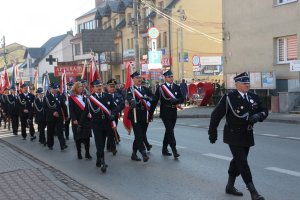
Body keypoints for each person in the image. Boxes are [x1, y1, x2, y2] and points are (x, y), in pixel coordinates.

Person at [208, 72, 268, 200]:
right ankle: (253, 192)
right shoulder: (229, 98)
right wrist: (212, 133)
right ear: (237, 85)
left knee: (237, 161)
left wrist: (259, 116)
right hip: (233, 134)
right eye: (244, 83)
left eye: (248, 83)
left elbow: (264, 110)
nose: (247, 85)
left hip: (247, 134)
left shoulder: (253, 97)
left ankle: (230, 186)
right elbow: (216, 115)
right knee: (242, 162)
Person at [79, 80, 118, 173]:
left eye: (100, 85)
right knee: (99, 144)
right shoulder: (90, 99)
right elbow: (85, 113)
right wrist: (80, 124)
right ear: (93, 88)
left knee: (102, 143)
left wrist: (113, 113)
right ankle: (103, 163)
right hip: (96, 125)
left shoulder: (107, 96)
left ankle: (98, 158)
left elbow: (114, 107)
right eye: (97, 86)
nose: (99, 87)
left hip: (107, 124)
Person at [150, 70, 184, 159]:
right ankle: (174, 149)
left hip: (173, 112)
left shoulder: (176, 87)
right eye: (169, 77)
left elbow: (182, 98)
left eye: (172, 76)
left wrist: (177, 101)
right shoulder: (161, 88)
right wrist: (150, 113)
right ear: (165, 78)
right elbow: (154, 101)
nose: (171, 78)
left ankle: (164, 149)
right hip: (165, 111)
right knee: (170, 130)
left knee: (169, 130)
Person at [126, 71, 154, 162]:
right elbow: (129, 97)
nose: (139, 79)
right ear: (133, 79)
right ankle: (143, 153)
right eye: (137, 78)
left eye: (140, 78)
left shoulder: (145, 89)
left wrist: (149, 100)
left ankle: (134, 154)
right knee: (138, 134)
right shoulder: (130, 89)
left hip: (144, 116)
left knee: (140, 135)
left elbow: (153, 97)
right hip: (135, 115)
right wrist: (132, 101)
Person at [69, 82, 92, 160]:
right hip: (77, 120)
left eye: (82, 87)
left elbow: (89, 107)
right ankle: (79, 153)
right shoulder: (71, 97)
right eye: (79, 87)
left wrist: (89, 113)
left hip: (85, 119)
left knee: (87, 137)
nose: (81, 88)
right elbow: (71, 110)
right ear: (75, 88)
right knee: (78, 138)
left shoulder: (86, 97)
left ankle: (87, 153)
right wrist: (74, 119)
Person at [43, 82, 68, 151]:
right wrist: (53, 112)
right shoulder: (47, 97)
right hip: (50, 117)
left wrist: (66, 116)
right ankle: (50, 144)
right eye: (54, 88)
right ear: (50, 89)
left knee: (60, 131)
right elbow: (45, 108)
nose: (56, 90)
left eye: (56, 88)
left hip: (59, 117)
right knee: (50, 132)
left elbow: (64, 106)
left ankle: (63, 145)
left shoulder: (60, 96)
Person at [106, 79, 125, 154]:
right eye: (110, 87)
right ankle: (112, 147)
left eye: (113, 87)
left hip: (115, 116)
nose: (112, 88)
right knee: (109, 131)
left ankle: (110, 146)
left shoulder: (118, 95)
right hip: (107, 117)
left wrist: (115, 112)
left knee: (112, 130)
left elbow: (121, 105)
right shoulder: (104, 95)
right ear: (107, 87)